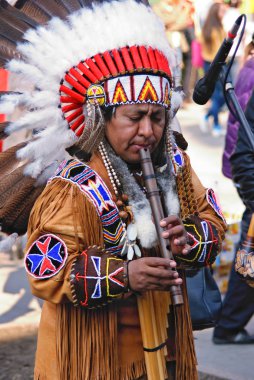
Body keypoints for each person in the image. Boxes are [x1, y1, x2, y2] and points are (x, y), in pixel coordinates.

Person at [0, 0, 227, 379]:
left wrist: (189, 240)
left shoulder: (174, 166)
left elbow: (212, 220)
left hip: (167, 349)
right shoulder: (72, 187)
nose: (148, 131)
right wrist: (125, 275)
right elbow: (47, 271)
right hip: (98, 359)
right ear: (101, 118)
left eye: (157, 117)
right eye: (134, 117)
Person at [213, 36, 254, 345]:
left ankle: (228, 325)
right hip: (249, 177)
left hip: (243, 171)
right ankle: (227, 326)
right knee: (248, 260)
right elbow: (243, 151)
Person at [199, 2, 227, 136]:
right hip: (214, 65)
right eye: (222, 11)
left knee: (221, 96)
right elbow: (218, 51)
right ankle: (216, 125)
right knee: (217, 97)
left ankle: (207, 116)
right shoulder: (214, 29)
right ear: (216, 12)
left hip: (214, 64)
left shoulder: (212, 26)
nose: (224, 13)